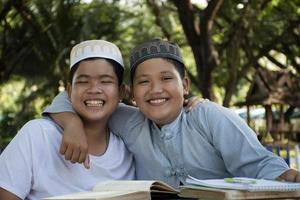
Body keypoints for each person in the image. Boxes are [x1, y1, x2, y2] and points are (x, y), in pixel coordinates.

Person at [43, 38, 300, 188]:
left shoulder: (207, 116)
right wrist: (73, 124)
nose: (155, 90)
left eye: (166, 78)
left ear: (184, 86)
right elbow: (71, 96)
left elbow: (258, 163)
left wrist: (288, 176)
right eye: (143, 82)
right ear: (130, 93)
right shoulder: (130, 121)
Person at [0, 40, 135, 200]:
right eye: (83, 81)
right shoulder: (38, 135)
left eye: (105, 81)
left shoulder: (128, 151)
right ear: (69, 90)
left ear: (121, 92)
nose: (94, 90)